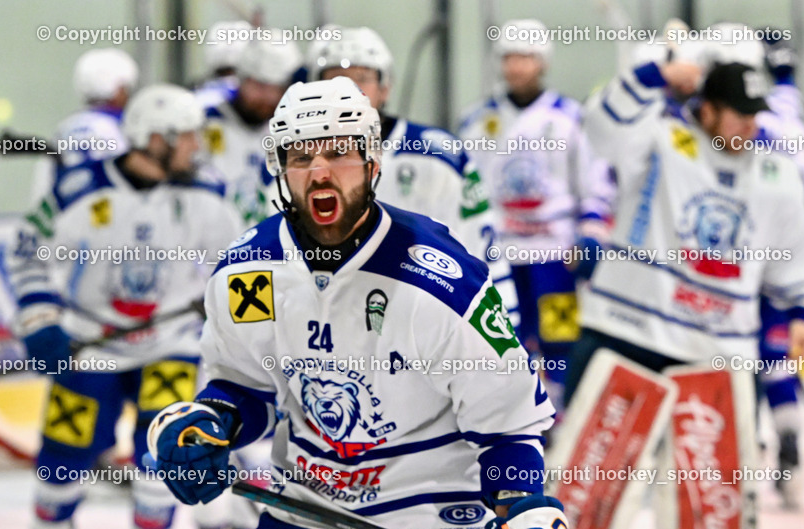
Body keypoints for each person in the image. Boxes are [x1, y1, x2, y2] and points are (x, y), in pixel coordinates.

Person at [144, 77, 569, 529]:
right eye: (300, 156)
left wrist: (525, 518)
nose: (320, 171)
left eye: (338, 151)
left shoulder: (438, 283)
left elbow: (509, 425)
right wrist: (209, 425)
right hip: (301, 518)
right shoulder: (247, 271)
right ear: (280, 169)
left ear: (372, 161)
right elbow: (242, 385)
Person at [576, 56, 804, 529]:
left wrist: (800, 310)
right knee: (591, 468)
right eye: (738, 113)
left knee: (714, 485)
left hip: (719, 348)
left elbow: (792, 262)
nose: (750, 126)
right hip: (629, 329)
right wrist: (656, 73)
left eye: (756, 114)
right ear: (706, 108)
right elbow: (599, 124)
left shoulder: (775, 173)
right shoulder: (658, 138)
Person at [0, 84, 244, 529]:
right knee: (61, 461)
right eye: (187, 138)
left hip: (170, 345)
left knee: (164, 454)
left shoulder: (208, 194)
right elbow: (26, 251)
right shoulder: (81, 191)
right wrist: (41, 319)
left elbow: (245, 257)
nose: (197, 147)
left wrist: (218, 298)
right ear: (153, 140)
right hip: (93, 344)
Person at [312, 26, 520, 325]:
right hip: (332, 324)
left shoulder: (439, 155)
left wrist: (504, 326)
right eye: (334, 79)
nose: (347, 90)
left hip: (427, 324)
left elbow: (481, 249)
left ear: (385, 88)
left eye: (362, 79)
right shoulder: (298, 163)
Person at [458, 19, 613, 409]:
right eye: (510, 58)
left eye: (526, 58)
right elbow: (465, 188)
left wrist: (591, 231)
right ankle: (518, 409)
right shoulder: (476, 121)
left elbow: (594, 180)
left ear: (542, 62)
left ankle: (558, 409)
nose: (517, 67)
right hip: (499, 253)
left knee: (559, 333)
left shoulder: (570, 117)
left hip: (554, 252)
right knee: (504, 332)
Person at [203, 35, 302, 226]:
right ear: (241, 79)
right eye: (260, 85)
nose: (268, 96)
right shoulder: (206, 124)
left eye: (277, 88)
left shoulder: (291, 131)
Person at [29, 48, 139, 203]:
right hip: (107, 218)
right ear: (117, 89)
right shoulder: (121, 129)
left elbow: (42, 190)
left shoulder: (62, 131)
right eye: (126, 88)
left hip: (67, 219)